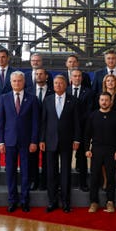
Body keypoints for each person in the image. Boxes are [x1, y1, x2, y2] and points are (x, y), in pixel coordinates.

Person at [0, 71, 39, 213]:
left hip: (27, 142)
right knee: (10, 172)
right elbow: (0, 122)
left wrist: (34, 141)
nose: (17, 83)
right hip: (9, 141)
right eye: (14, 81)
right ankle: (12, 200)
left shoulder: (32, 99)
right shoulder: (4, 98)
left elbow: (35, 123)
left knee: (26, 172)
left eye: (19, 81)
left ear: (24, 82)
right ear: (10, 82)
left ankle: (25, 200)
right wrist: (0, 142)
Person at [40, 75, 81, 213]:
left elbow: (77, 122)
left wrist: (76, 139)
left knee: (65, 173)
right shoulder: (47, 100)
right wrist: (41, 140)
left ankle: (65, 202)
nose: (58, 85)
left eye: (61, 83)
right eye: (55, 83)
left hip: (67, 141)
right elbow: (43, 122)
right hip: (50, 141)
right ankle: (52, 202)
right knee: (51, 173)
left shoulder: (73, 100)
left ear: (66, 85)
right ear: (53, 84)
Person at [84, 92, 116, 213]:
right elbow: (87, 134)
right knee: (94, 177)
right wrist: (86, 149)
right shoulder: (93, 116)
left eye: (106, 100)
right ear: (99, 101)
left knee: (111, 178)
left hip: (111, 151)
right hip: (96, 150)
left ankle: (110, 202)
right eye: (102, 100)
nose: (104, 102)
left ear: (110, 102)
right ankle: (93, 202)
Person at [68, 69, 94, 192]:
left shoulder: (89, 92)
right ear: (71, 77)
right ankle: (65, 182)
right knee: (66, 157)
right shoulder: (65, 90)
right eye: (75, 76)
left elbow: (89, 111)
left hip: (83, 129)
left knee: (82, 159)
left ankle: (83, 183)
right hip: (67, 130)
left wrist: (76, 121)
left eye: (79, 76)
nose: (77, 78)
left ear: (82, 78)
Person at [29, 67, 53, 190]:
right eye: (36, 74)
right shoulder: (29, 91)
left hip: (48, 130)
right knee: (32, 157)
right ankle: (34, 181)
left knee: (46, 158)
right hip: (32, 129)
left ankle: (45, 182)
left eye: (41, 74)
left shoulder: (53, 91)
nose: (38, 76)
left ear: (46, 76)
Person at [92, 49, 116, 117]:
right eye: (108, 58)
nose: (111, 60)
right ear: (105, 60)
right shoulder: (98, 74)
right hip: (102, 110)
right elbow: (94, 92)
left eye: (113, 58)